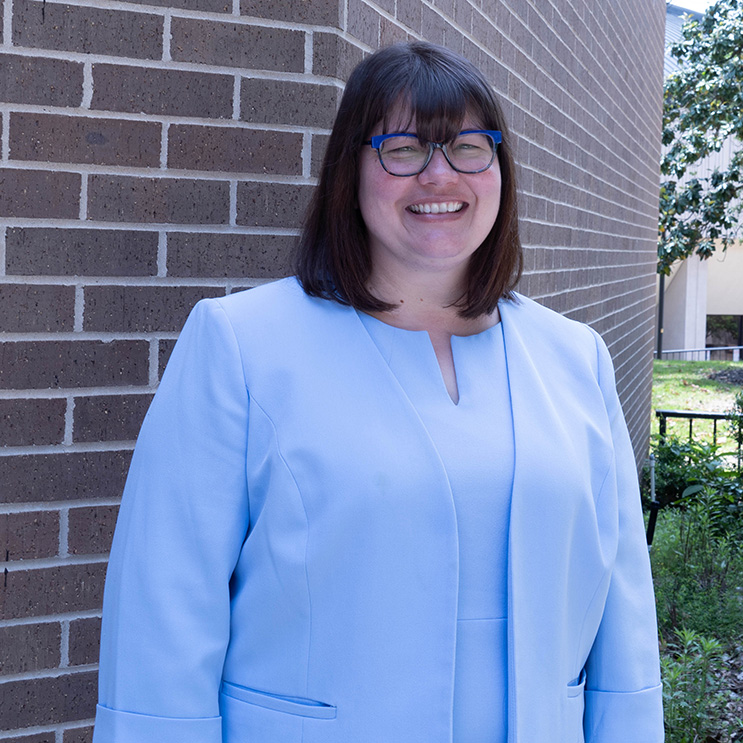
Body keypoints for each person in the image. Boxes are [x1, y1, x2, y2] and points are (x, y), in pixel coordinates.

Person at [93, 41, 663, 743]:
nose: (438, 174)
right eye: (403, 147)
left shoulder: (575, 358)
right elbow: (164, 615)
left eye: (466, 147)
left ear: (500, 168)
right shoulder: (242, 345)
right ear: (349, 170)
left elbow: (622, 622)